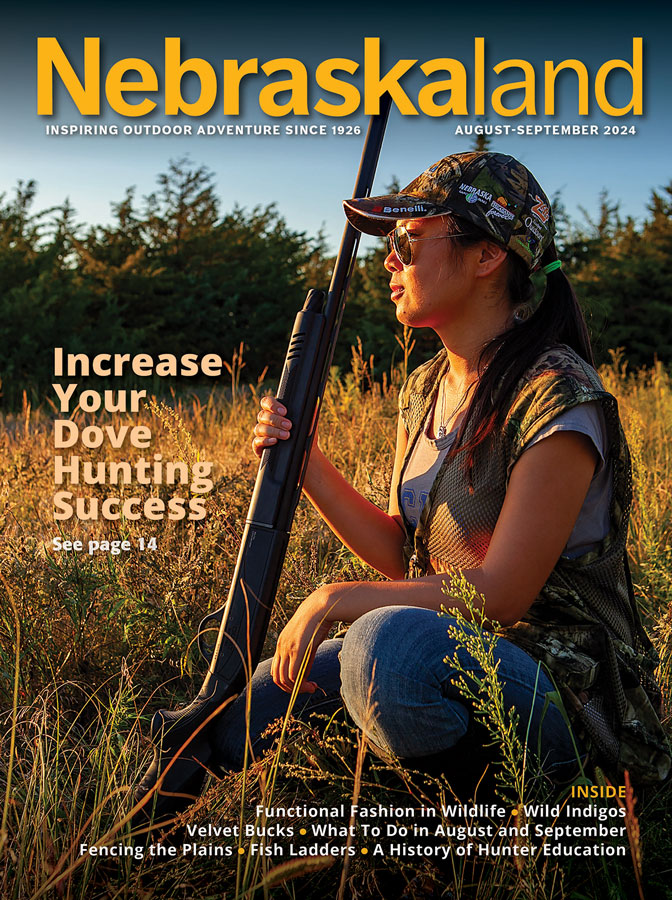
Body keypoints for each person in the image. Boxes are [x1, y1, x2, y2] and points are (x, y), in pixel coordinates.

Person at [213, 151, 669, 786]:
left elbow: (503, 594)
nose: (390, 260)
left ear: (487, 257)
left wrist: (336, 598)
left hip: (566, 692)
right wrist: (306, 463)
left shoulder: (559, 398)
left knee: (385, 649)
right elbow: (408, 557)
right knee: (262, 700)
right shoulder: (426, 387)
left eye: (409, 238)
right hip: (457, 655)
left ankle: (494, 830)